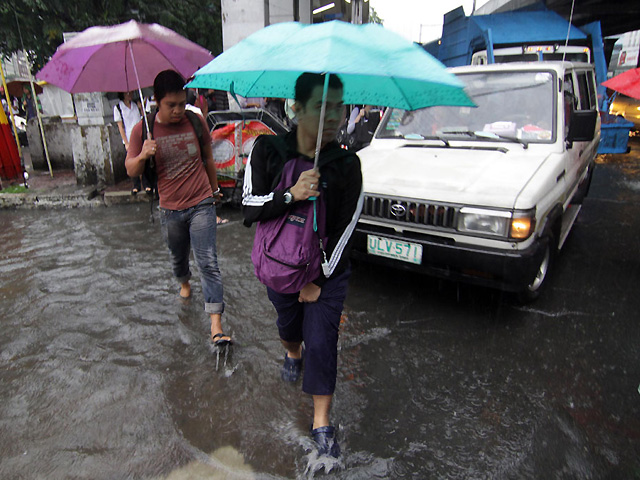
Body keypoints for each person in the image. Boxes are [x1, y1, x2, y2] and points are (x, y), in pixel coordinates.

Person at [242, 72, 363, 458]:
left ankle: (321, 422)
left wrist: (319, 279)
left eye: (339, 107)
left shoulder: (346, 165)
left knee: (324, 339)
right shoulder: (266, 150)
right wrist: (291, 194)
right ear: (296, 108)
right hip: (280, 265)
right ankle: (292, 353)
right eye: (321, 107)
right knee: (289, 328)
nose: (333, 117)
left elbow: (345, 231)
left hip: (326, 273)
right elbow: (248, 207)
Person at [125, 70, 230, 347]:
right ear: (156, 101)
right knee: (178, 260)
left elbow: (208, 158)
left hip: (201, 203)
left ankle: (216, 325)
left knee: (208, 262)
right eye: (171, 105)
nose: (178, 110)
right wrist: (143, 154)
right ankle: (184, 283)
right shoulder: (142, 130)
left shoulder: (195, 122)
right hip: (170, 209)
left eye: (182, 103)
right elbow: (130, 168)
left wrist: (215, 191)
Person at [114, 91, 150, 194]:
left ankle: (146, 183)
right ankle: (136, 185)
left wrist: (141, 107)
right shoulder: (118, 108)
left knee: (144, 159)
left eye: (131, 93)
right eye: (127, 93)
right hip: (129, 137)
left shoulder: (136, 104)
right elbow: (120, 127)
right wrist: (126, 142)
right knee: (133, 161)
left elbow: (144, 118)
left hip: (140, 135)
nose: (130, 95)